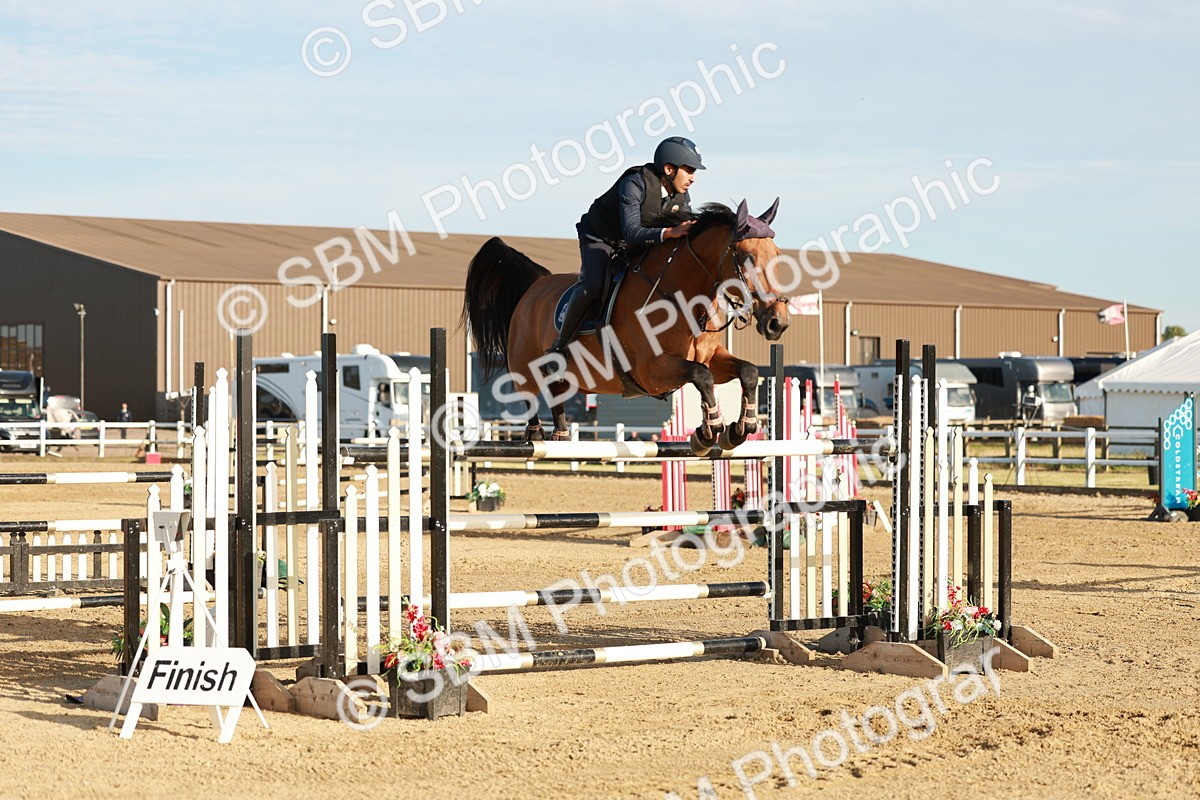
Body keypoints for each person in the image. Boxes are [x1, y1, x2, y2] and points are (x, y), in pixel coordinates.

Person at [545, 136, 705, 360]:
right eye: (689, 170)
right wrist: (669, 233)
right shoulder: (634, 184)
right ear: (669, 169)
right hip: (601, 238)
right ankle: (560, 346)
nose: (693, 178)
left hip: (634, 244)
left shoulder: (681, 196)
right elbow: (631, 231)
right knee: (594, 285)